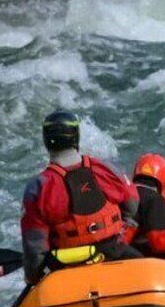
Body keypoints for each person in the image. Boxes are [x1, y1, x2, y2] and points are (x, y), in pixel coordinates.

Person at [21, 110, 141, 283]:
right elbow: (132, 206)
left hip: (65, 265)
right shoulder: (107, 168)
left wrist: (32, 278)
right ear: (75, 138)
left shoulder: (37, 188)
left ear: (46, 140)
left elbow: (35, 247)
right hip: (113, 252)